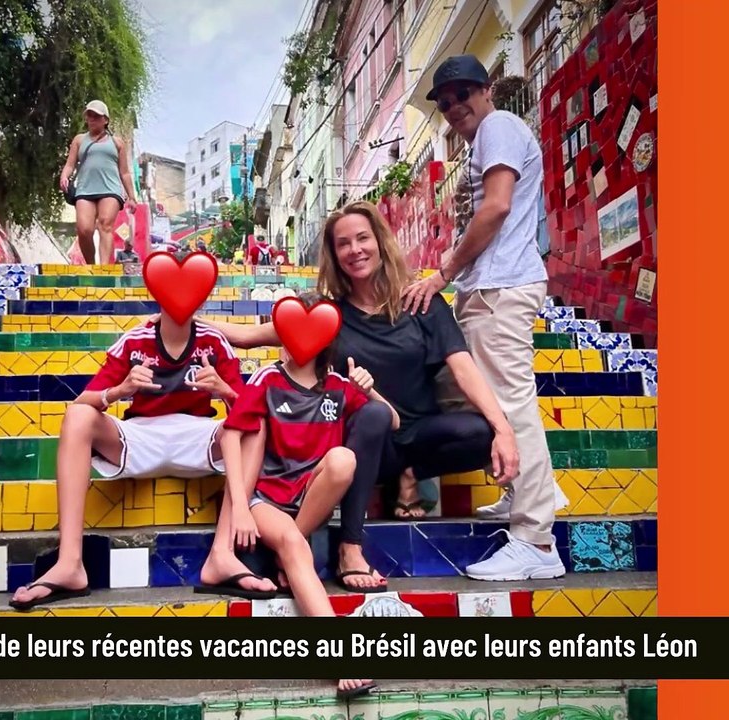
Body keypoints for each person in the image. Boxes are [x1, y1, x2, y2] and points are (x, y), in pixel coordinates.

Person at [199, 201, 519, 591]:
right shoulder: (327, 317)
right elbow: (247, 338)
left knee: (482, 431)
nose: (355, 250)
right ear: (334, 255)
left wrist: (502, 428)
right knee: (372, 415)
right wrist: (176, 314)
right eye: (343, 244)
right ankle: (351, 546)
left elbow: (462, 367)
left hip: (418, 433)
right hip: (363, 440)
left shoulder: (421, 301)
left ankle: (412, 473)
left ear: (380, 242)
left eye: (363, 238)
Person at [400, 55, 565, 581]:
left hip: (501, 286)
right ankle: (531, 492)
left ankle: (536, 540)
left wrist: (442, 274)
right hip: (492, 286)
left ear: (486, 89)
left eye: (462, 94)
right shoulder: (491, 136)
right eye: (444, 103)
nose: (454, 107)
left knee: (512, 407)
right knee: (486, 399)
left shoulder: (498, 125)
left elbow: (494, 208)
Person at [9, 310, 264, 609]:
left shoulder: (215, 341)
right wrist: (121, 390)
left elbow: (247, 408)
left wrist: (224, 391)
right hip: (140, 437)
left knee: (256, 425)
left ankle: (222, 554)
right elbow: (82, 401)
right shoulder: (134, 339)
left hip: (199, 437)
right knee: (78, 416)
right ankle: (69, 563)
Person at [219, 292, 393, 698]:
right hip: (266, 500)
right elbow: (231, 432)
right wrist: (240, 508)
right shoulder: (268, 379)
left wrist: (371, 389)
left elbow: (393, 421)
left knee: (343, 459)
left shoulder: (337, 385)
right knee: (296, 547)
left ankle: (288, 548)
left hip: (308, 500)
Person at [60, 100, 139, 265]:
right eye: (89, 115)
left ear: (105, 120)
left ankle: (104, 269)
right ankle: (91, 266)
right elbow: (70, 164)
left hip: (110, 189)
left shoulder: (117, 143)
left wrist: (131, 196)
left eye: (96, 115)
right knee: (84, 229)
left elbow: (124, 172)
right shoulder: (79, 140)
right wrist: (64, 176)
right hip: (85, 189)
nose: (92, 118)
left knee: (105, 225)